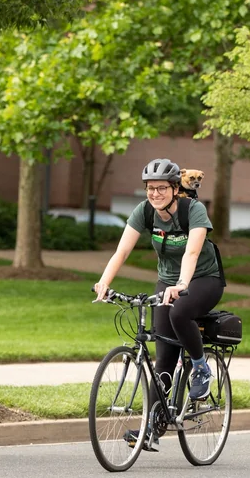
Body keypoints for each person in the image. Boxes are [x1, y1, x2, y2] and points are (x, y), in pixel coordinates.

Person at [94, 158, 224, 452]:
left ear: (175, 188)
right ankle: (151, 429)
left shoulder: (194, 211)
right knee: (163, 358)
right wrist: (104, 282)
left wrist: (182, 286)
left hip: (204, 279)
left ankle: (201, 368)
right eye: (150, 189)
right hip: (167, 281)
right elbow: (122, 250)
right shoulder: (145, 212)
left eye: (162, 188)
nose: (155, 194)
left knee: (180, 313)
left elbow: (192, 253)